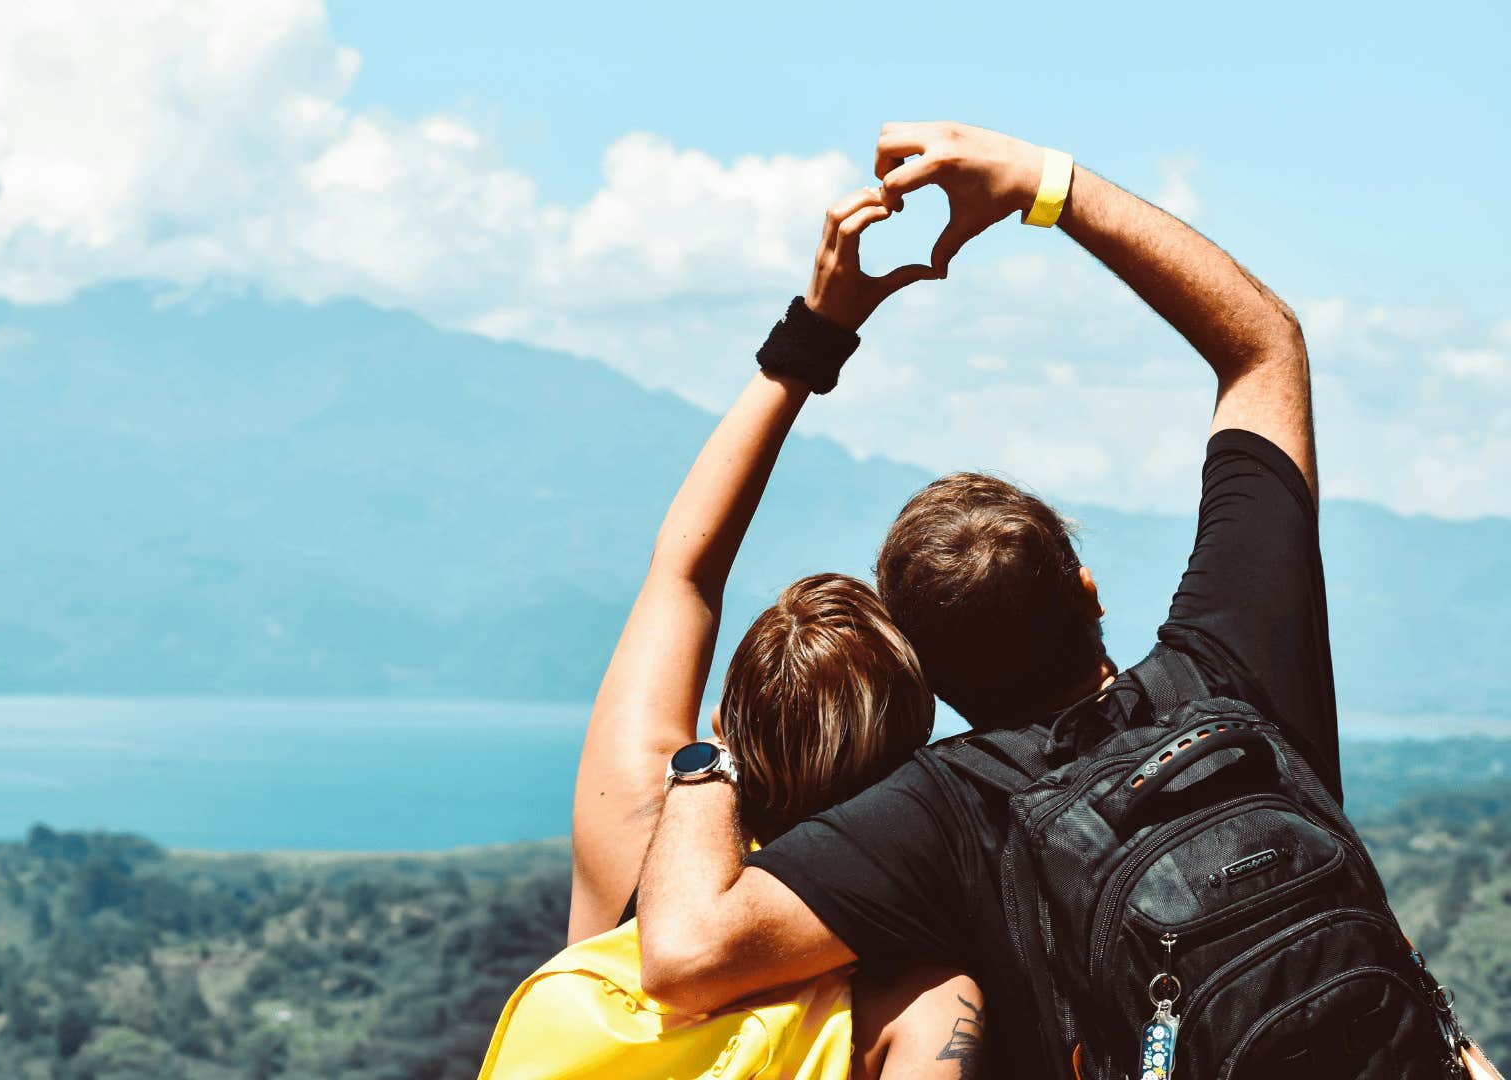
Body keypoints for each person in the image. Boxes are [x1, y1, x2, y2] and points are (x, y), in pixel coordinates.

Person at [633, 120, 1336, 1074]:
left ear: (932, 678)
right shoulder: (1233, 668)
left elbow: (682, 955)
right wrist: (1044, 184)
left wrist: (711, 754)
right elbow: (1265, 345)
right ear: (1087, 588)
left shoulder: (946, 813)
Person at [562, 185, 982, 1077]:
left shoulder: (635, 840)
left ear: (722, 723)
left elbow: (683, 572)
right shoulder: (924, 998)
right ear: (915, 746)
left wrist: (816, 337)